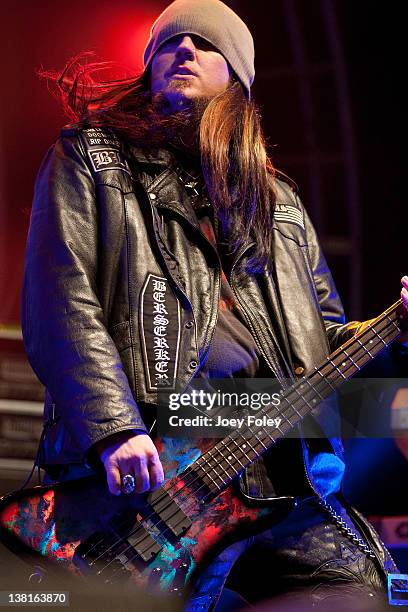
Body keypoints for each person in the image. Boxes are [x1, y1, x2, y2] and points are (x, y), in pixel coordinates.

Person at [21, 0, 408, 609]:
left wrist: (398, 332)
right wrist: (113, 426)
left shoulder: (280, 204)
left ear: (239, 77)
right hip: (158, 458)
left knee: (354, 593)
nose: (185, 51)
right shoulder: (93, 160)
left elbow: (322, 344)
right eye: (171, 43)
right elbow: (60, 298)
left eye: (206, 43)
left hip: (273, 469)